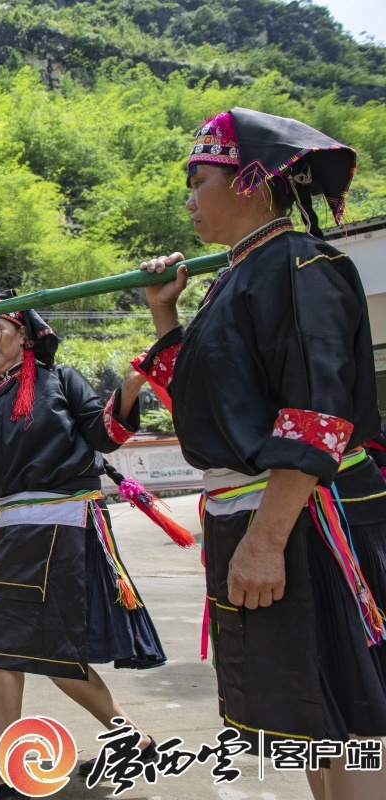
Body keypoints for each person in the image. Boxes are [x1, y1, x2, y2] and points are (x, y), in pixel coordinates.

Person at [138, 108, 386, 800]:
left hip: (302, 518)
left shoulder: (301, 265)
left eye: (199, 179)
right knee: (306, 717)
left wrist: (267, 537)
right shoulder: (239, 277)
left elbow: (317, 412)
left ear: (250, 180)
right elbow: (214, 402)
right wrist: (166, 315)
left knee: (351, 718)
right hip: (260, 518)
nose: (189, 197)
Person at [0, 295, 167, 800]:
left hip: (63, 528)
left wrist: (130, 386)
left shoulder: (61, 381)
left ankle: (6, 771)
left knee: (3, 647)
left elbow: (104, 435)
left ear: (24, 334)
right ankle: (134, 740)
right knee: (44, 651)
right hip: (11, 533)